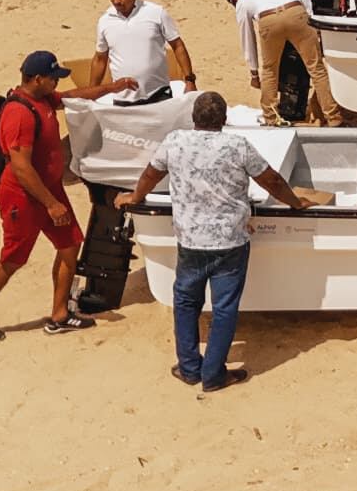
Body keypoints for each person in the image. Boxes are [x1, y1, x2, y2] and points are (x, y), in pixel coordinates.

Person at [123, 91, 322, 391]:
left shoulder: (175, 141)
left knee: (187, 302)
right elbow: (272, 180)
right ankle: (214, 374)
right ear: (224, 120)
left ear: (193, 118)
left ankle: (190, 368)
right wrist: (295, 203)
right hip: (230, 240)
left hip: (190, 240)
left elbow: (151, 173)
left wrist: (134, 197)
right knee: (225, 307)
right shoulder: (236, 145)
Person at [0, 50, 96, 340]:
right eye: (53, 79)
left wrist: (115, 87)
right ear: (37, 79)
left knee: (70, 244)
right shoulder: (20, 115)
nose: (57, 84)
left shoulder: (44, 98)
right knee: (13, 258)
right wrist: (51, 204)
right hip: (22, 197)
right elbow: (22, 168)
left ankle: (59, 314)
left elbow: (74, 94)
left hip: (49, 190)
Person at [228, 0, 344, 124]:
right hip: (295, 11)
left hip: (268, 20)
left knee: (270, 72)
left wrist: (254, 72)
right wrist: (309, 19)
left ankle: (271, 119)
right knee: (317, 69)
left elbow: (247, 38)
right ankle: (334, 118)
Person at [89, 0, 194, 99]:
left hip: (159, 97)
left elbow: (177, 45)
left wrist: (189, 80)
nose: (116, 1)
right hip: (123, 101)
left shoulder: (156, 13)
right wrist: (91, 93)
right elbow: (100, 59)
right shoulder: (105, 21)